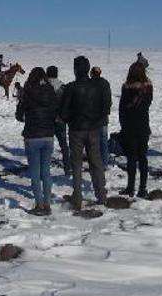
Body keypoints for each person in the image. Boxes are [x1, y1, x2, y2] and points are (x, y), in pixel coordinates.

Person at [61, 56, 111, 209]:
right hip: (94, 129)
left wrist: (68, 119)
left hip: (76, 130)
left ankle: (77, 197)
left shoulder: (71, 87)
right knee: (96, 161)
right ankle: (101, 195)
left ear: (76, 70)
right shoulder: (97, 86)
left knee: (76, 164)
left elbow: (64, 112)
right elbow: (105, 107)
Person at [16, 67, 57, 216]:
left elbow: (19, 116)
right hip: (48, 136)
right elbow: (55, 112)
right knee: (46, 171)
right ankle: (47, 203)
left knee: (34, 172)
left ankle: (39, 204)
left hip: (32, 136)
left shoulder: (28, 92)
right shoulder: (51, 91)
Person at [119, 62, 153, 197]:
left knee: (131, 158)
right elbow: (148, 104)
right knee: (143, 158)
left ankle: (130, 187)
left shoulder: (126, 87)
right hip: (143, 125)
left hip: (129, 126)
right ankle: (142, 189)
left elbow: (122, 108)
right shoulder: (148, 88)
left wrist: (123, 126)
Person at [46, 65, 71, 176]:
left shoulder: (44, 87)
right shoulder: (63, 86)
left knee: (47, 145)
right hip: (60, 120)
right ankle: (67, 167)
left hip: (47, 120)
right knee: (64, 145)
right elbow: (67, 105)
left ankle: (45, 168)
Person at [91, 66, 112, 169]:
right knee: (103, 141)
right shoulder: (105, 83)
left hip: (91, 117)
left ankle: (95, 162)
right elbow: (108, 100)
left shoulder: (89, 84)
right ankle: (104, 163)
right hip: (103, 117)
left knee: (93, 141)